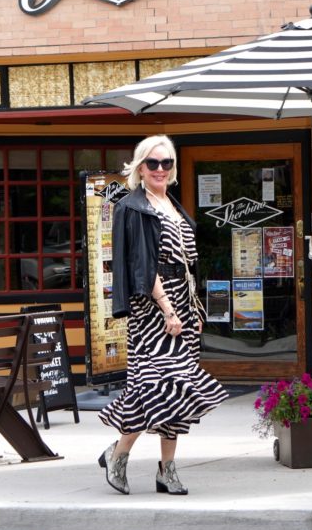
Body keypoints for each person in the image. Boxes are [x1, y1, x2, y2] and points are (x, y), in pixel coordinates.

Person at [98, 134, 228, 495]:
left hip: (182, 305)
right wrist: (168, 309)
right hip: (152, 308)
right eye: (152, 163)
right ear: (140, 167)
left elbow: (188, 264)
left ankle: (166, 469)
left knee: (179, 391)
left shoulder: (172, 204)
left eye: (166, 163)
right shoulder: (134, 206)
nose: (159, 169)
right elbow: (143, 264)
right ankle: (119, 454)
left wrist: (194, 309)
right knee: (154, 387)